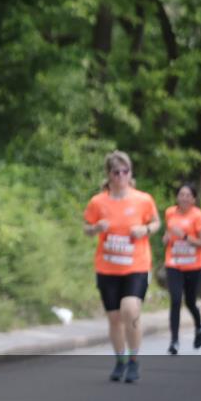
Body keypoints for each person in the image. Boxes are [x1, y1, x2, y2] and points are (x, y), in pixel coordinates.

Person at [83, 151, 160, 383]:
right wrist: (96, 228)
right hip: (107, 268)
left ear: (130, 173)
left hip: (136, 265)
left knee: (130, 310)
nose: (121, 176)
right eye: (116, 172)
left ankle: (134, 360)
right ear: (109, 175)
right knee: (114, 318)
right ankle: (120, 360)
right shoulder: (98, 202)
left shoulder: (142, 199)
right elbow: (86, 228)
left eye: (125, 171)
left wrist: (145, 230)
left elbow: (156, 222)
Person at [162, 184, 201, 354]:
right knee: (175, 300)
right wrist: (167, 238)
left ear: (194, 199)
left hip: (193, 265)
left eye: (188, 195)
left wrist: (184, 236)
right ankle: (174, 341)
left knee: (190, 302)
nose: (184, 198)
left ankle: (199, 326)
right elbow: (167, 236)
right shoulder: (170, 213)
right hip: (173, 263)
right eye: (181, 194)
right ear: (177, 197)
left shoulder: (199, 216)